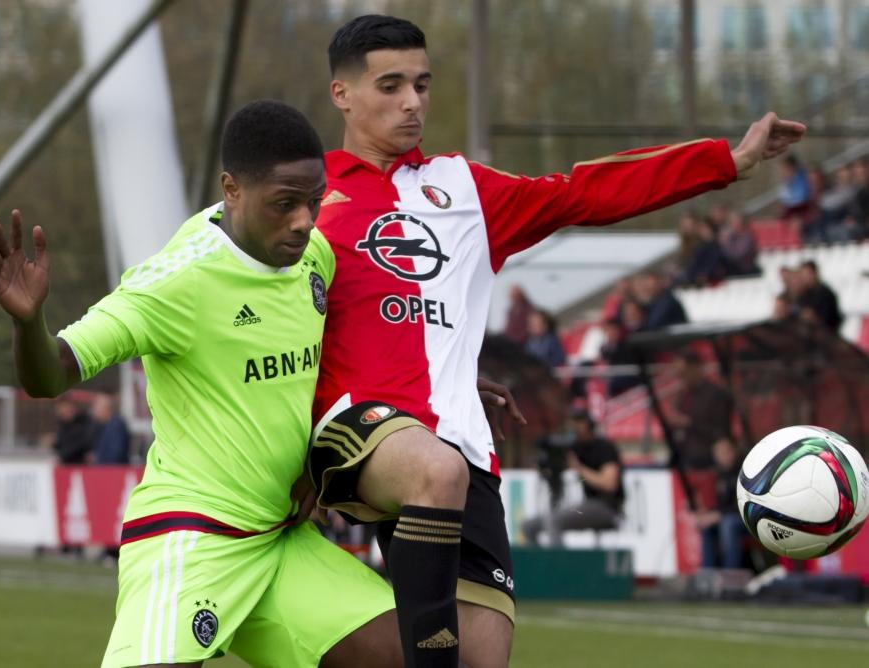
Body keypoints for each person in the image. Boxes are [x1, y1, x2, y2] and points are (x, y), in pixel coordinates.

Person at [309, 14, 805, 668]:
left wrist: (724, 161)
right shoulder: (307, 196)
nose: (412, 103)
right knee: (433, 479)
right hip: (359, 433)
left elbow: (582, 192)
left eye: (422, 85)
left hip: (458, 439)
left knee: (480, 653)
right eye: (391, 85)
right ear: (342, 94)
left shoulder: (462, 189)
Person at [0, 101, 404, 668]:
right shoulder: (177, 281)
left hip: (280, 543)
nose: (305, 219)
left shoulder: (315, 257)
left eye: (314, 200)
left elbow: (351, 353)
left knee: (420, 656)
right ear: (232, 189)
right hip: (192, 539)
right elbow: (51, 375)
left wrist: (316, 461)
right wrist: (29, 322)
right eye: (285, 204)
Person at [522, 409, 624, 546]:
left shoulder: (604, 447)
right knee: (529, 526)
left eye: (579, 424)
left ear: (588, 425)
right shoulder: (575, 447)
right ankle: (536, 566)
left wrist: (579, 468)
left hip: (607, 506)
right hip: (586, 504)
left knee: (553, 521)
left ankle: (560, 565)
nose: (575, 429)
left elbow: (610, 484)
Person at [666, 351, 733, 471]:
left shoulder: (715, 394)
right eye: (678, 374)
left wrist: (689, 423)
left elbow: (721, 431)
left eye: (683, 372)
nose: (680, 378)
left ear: (695, 368)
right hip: (684, 458)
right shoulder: (682, 395)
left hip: (707, 460)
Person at [696, 437, 748, 569]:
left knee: (728, 524)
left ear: (733, 452)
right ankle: (708, 574)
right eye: (718, 452)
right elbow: (723, 504)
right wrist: (708, 514)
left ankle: (731, 574)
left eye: (725, 451)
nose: (722, 456)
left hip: (747, 518)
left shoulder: (745, 472)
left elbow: (745, 503)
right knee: (707, 526)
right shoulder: (720, 475)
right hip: (727, 515)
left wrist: (719, 514)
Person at [796, 260, 842, 332]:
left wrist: (813, 318)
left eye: (807, 274)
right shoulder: (802, 295)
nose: (805, 278)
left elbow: (830, 321)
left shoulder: (826, 294)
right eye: (803, 275)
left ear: (815, 273)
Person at [50, 395, 94, 464]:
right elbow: (61, 444)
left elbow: (83, 443)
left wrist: (63, 455)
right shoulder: (62, 424)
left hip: (82, 464)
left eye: (66, 408)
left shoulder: (85, 421)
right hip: (67, 464)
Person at [89, 393, 131, 465]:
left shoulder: (116, 426)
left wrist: (98, 459)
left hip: (114, 472)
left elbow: (116, 454)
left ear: (105, 408)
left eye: (96, 406)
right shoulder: (105, 426)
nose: (93, 410)